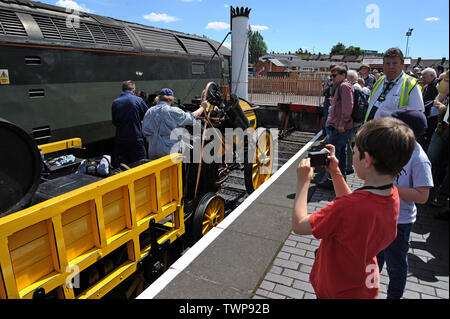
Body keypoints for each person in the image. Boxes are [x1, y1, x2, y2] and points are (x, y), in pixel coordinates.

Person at [292, 117, 417, 299]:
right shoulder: (392, 196)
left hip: (336, 291)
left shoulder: (347, 208)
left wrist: (303, 182)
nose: (353, 151)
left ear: (366, 159)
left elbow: (299, 225)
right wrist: (336, 172)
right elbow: (354, 207)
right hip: (363, 287)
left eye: (354, 149)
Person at [376, 109, 433, 299]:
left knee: (396, 264)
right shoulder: (395, 148)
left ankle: (394, 296)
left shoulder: (419, 159)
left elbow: (422, 195)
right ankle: (370, 289)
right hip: (381, 216)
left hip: (400, 222)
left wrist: (391, 187)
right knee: (375, 258)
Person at [142, 88, 206, 160]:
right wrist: (202, 107)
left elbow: (145, 131)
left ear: (159, 98)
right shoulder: (173, 111)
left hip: (153, 151)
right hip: (170, 153)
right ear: (171, 99)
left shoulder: (149, 111)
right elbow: (191, 117)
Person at [365, 48, 424, 122]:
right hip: (370, 130)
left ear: (402, 65)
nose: (391, 67)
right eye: (387, 63)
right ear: (383, 65)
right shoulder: (379, 81)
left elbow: (417, 118)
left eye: (395, 63)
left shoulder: (411, 85)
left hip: (391, 133)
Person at [318, 65, 354, 189]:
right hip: (340, 126)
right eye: (331, 75)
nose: (331, 78)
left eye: (334, 75)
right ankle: (340, 180)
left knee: (334, 155)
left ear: (343, 75)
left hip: (340, 127)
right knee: (341, 154)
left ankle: (332, 181)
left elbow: (348, 107)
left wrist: (342, 123)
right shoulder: (342, 86)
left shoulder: (344, 87)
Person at [427, 71, 449, 219]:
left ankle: (441, 196)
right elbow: (439, 97)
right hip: (443, 126)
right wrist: (441, 105)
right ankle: (426, 187)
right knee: (431, 158)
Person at [111, 80, 149, 167]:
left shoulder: (115, 102)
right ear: (133, 90)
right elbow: (147, 116)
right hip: (135, 138)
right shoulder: (138, 100)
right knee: (141, 165)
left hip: (120, 139)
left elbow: (114, 121)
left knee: (123, 166)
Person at [419, 67, 440, 151]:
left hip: (432, 117)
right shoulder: (429, 85)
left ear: (431, 76)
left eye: (424, 77)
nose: (422, 79)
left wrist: (421, 107)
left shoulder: (436, 86)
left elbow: (431, 101)